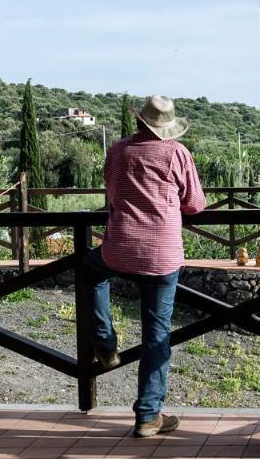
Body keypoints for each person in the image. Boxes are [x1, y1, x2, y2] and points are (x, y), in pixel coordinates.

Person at [85, 95, 205, 437]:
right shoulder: (175, 153)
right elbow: (195, 204)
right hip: (162, 255)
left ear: (139, 121)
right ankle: (148, 416)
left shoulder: (118, 151)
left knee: (91, 272)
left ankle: (105, 343)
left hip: (119, 248)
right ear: (166, 127)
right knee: (157, 334)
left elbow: (111, 191)